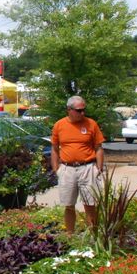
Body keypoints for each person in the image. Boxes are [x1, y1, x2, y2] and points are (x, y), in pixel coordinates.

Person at [51, 95, 105, 234]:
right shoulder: (59, 125)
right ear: (69, 110)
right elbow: (55, 148)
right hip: (67, 168)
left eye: (83, 110)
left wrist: (99, 167)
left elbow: (98, 147)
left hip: (87, 167)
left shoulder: (91, 124)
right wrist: (56, 168)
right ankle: (70, 235)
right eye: (79, 110)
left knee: (90, 204)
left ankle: (93, 236)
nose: (82, 113)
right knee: (69, 205)